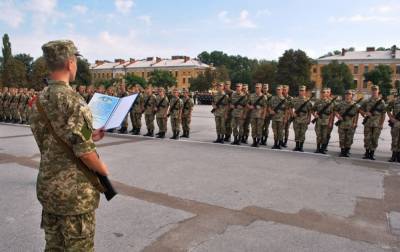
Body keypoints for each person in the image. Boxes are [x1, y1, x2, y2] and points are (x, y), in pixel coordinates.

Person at [29, 40, 109, 251]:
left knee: (54, 247)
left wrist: (89, 135)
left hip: (49, 189)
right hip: (74, 196)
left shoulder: (39, 99)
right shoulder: (74, 101)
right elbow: (85, 153)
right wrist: (102, 169)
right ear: (71, 63)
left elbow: (52, 139)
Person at [359, 85, 386, 160]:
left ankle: (372, 153)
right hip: (368, 123)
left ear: (378, 91)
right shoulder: (367, 101)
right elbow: (360, 109)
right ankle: (367, 153)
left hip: (377, 124)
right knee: (367, 138)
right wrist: (365, 114)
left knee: (375, 139)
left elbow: (383, 114)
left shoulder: (381, 102)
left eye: (376, 90)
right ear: (371, 91)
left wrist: (381, 124)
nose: (374, 91)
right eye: (373, 90)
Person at [334, 90, 359, 157]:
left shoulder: (354, 105)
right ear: (345, 95)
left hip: (350, 124)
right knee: (342, 138)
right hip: (342, 124)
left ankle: (347, 151)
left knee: (349, 138)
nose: (348, 95)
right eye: (346, 94)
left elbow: (356, 114)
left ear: (351, 95)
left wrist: (355, 123)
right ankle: (342, 151)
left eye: (349, 94)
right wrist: (338, 116)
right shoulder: (340, 104)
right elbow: (335, 111)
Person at [312, 87, 335, 154]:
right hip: (319, 121)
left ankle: (323, 149)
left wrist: (330, 122)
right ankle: (318, 148)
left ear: (329, 93)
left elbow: (332, 113)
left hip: (326, 121)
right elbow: (312, 110)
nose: (325, 93)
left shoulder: (331, 102)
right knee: (318, 135)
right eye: (323, 92)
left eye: (326, 92)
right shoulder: (318, 101)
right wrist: (314, 115)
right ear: (322, 93)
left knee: (325, 136)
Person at [291, 86, 312, 152]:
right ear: (299, 91)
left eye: (303, 90)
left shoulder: (308, 100)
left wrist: (309, 119)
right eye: (300, 90)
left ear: (305, 91)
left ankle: (301, 146)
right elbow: (289, 107)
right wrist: (292, 113)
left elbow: (310, 111)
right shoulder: (295, 99)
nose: (301, 92)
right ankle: (297, 146)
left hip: (304, 119)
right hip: (296, 119)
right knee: (296, 133)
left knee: (302, 133)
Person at [387, 90, 400, 162]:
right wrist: (391, 118)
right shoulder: (395, 100)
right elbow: (387, 109)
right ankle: (393, 156)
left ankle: (399, 156)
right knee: (394, 140)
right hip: (396, 123)